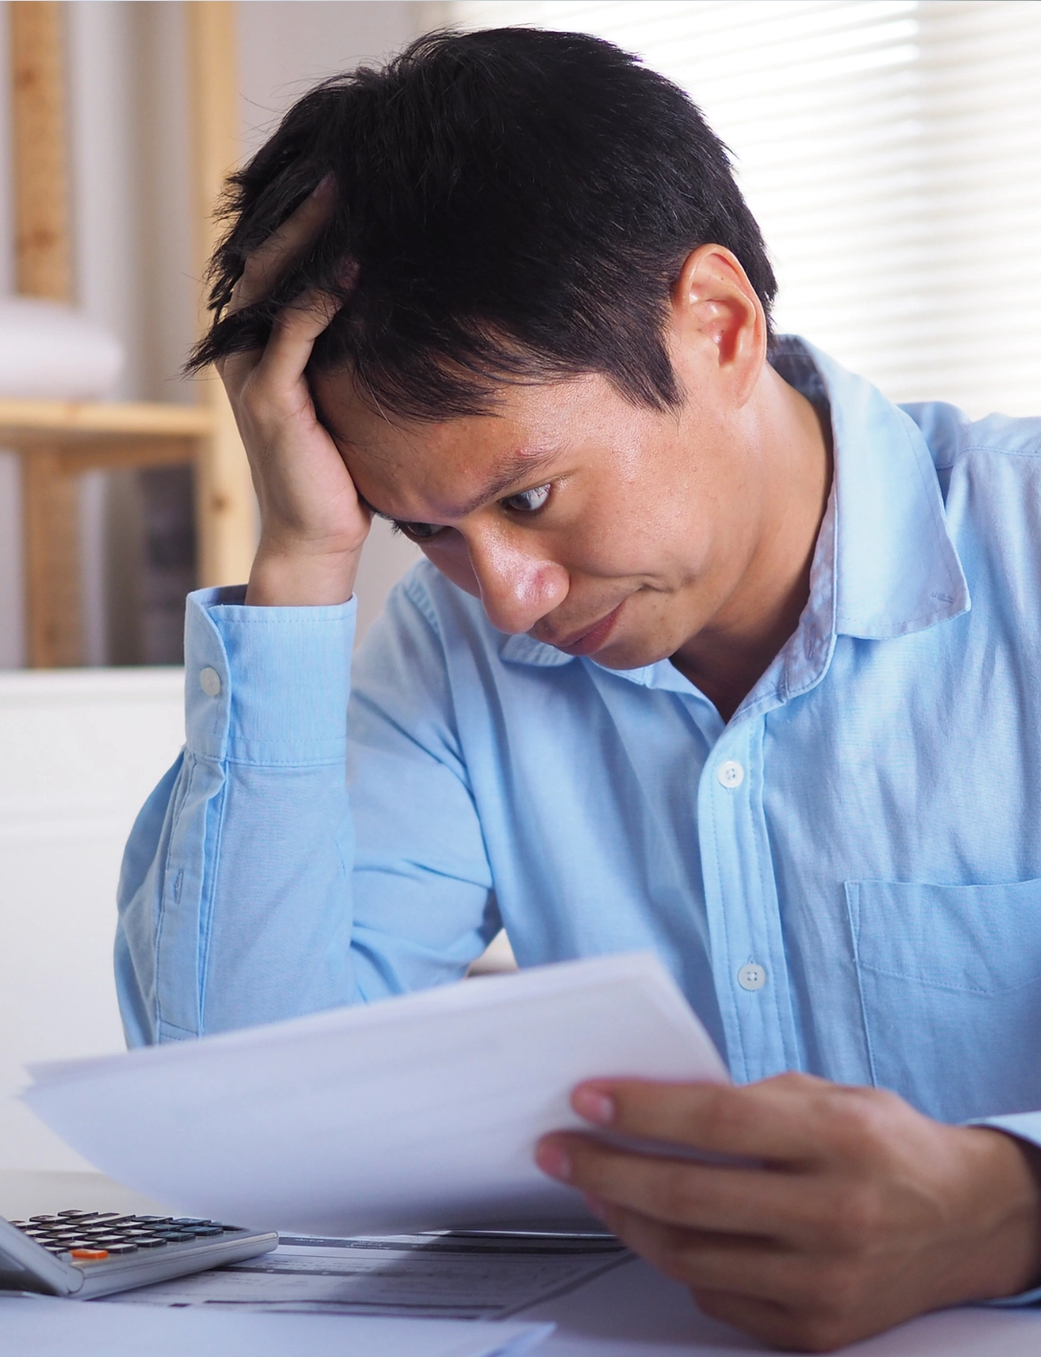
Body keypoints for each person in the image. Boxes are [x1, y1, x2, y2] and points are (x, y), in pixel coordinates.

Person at [116, 27, 1041, 1351]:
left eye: (528, 497)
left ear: (717, 324)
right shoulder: (453, 650)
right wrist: (303, 559)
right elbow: (234, 1100)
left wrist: (1010, 1208)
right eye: (416, 529)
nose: (503, 598)